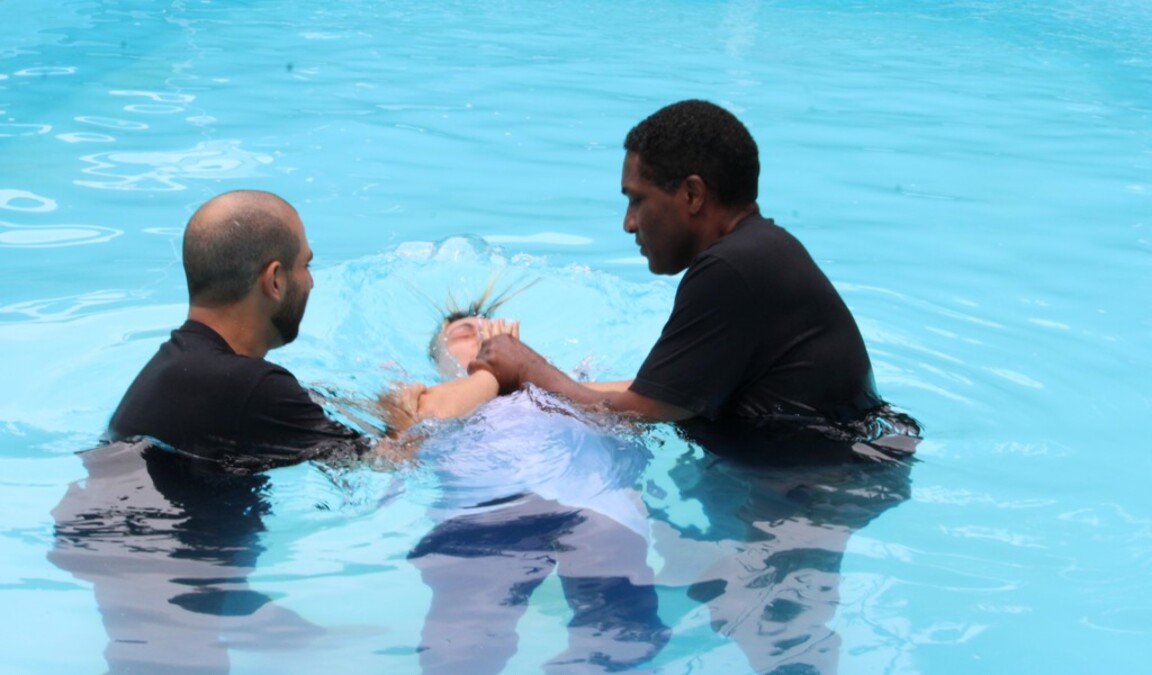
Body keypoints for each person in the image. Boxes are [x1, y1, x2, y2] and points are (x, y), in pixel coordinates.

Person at [469, 99, 919, 461]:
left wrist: (527, 369)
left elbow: (633, 417)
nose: (628, 223)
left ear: (692, 194)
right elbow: (660, 397)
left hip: (820, 488)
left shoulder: (731, 269)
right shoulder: (760, 251)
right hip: (841, 464)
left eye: (637, 200)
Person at [383, 293, 670, 674]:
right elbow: (420, 422)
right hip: (485, 513)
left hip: (590, 504)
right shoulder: (425, 395)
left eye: (493, 332)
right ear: (440, 361)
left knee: (622, 633)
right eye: (466, 333)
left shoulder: (566, 388)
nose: (485, 338)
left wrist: (532, 371)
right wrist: (493, 371)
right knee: (461, 648)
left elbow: (653, 399)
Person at [106, 189, 372, 469]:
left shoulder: (170, 369)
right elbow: (384, 461)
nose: (311, 282)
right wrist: (406, 413)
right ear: (274, 280)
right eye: (305, 265)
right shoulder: (255, 386)